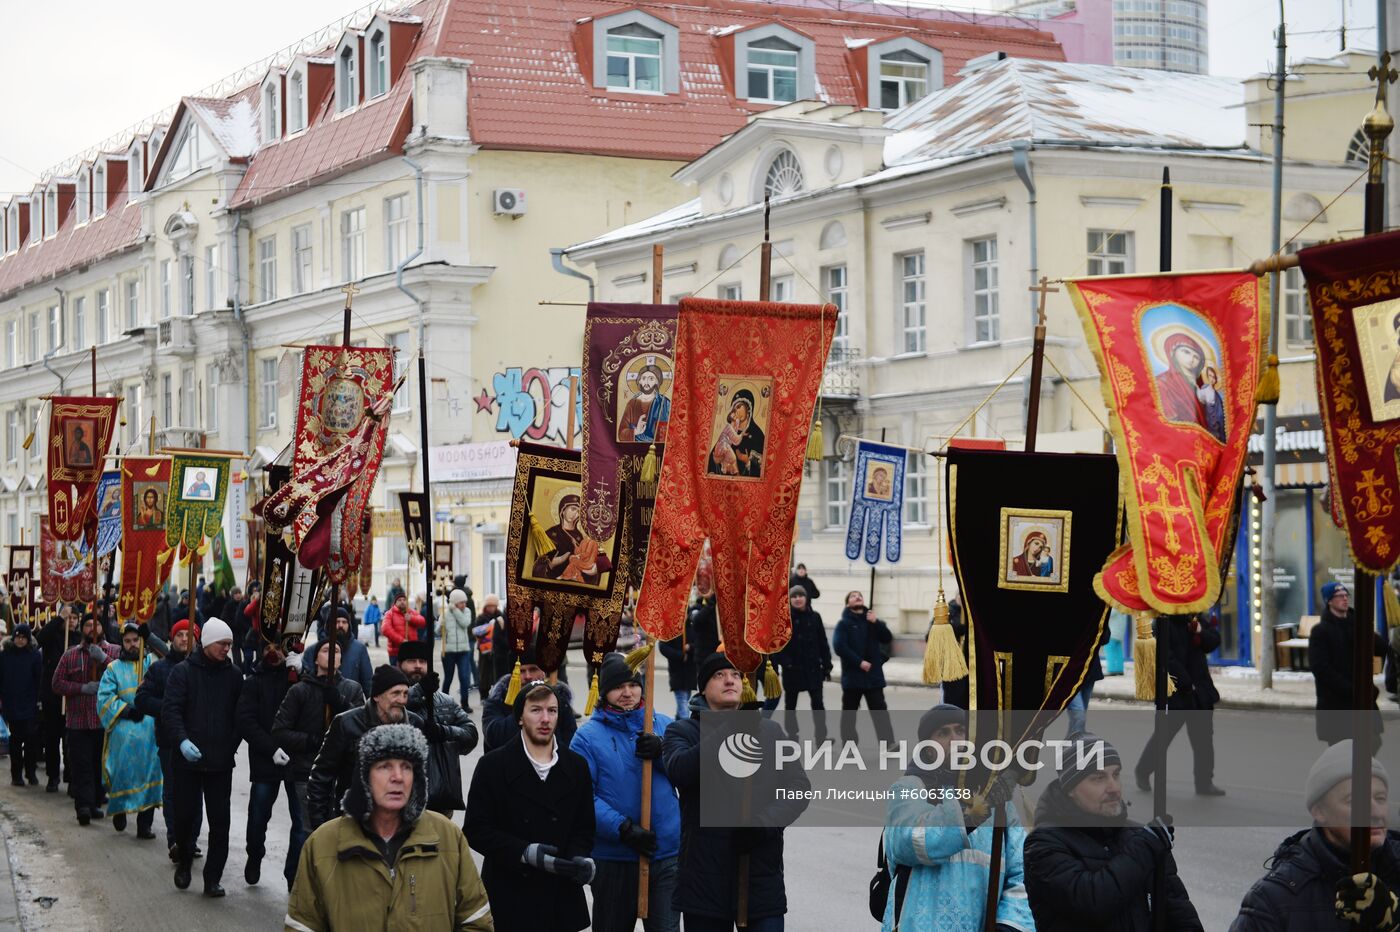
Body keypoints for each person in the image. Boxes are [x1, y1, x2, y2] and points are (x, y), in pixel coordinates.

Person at [286, 722, 493, 931]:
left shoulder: (447, 837)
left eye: (406, 767)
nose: (398, 777)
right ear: (364, 777)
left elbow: (476, 920)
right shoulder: (323, 844)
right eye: (385, 766)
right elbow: (302, 925)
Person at [663, 651, 810, 931]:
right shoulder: (682, 731)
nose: (729, 681)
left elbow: (798, 788)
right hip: (704, 878)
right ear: (703, 688)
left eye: (735, 675)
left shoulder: (770, 731)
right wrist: (731, 727)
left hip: (759, 874)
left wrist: (763, 824)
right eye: (719, 676)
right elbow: (681, 770)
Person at [879, 704, 1035, 931]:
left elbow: (1021, 871)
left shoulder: (1000, 803)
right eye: (943, 733)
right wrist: (976, 806)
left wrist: (1009, 924)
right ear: (928, 748)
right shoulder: (909, 787)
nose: (955, 740)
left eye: (961, 730)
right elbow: (911, 842)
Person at [1025, 731, 1203, 930]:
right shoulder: (1044, 844)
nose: (1114, 788)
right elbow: (1092, 903)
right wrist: (1145, 848)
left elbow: (1179, 912)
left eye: (1116, 774)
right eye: (1098, 777)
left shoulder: (1139, 836)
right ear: (1070, 789)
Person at [465, 679, 596, 932]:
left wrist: (580, 858)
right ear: (520, 718)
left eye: (552, 710)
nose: (545, 718)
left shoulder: (576, 766)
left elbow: (585, 827)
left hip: (561, 895)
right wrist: (523, 852)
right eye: (536, 710)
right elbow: (475, 830)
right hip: (511, 895)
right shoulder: (493, 766)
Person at [1231, 740, 1400, 930]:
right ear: (1320, 811)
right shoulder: (1274, 901)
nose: (1375, 813)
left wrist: (1393, 920)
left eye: (1380, 798)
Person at [571, 652, 681, 932]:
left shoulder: (664, 725)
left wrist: (663, 753)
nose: (627, 693)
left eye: (633, 685)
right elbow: (581, 795)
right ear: (605, 692)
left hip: (665, 853)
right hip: (614, 858)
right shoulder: (587, 737)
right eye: (618, 687)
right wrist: (622, 827)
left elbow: (690, 776)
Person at [163, 617, 244, 896]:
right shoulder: (182, 673)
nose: (227, 649)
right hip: (187, 762)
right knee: (185, 818)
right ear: (208, 643)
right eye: (223, 643)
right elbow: (171, 711)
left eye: (230, 644)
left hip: (220, 764)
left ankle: (213, 878)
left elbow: (240, 716)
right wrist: (182, 741)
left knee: (220, 823)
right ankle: (184, 863)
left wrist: (230, 744)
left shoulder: (234, 676)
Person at [271, 638, 364, 846]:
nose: (332, 654)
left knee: (340, 832)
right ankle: (296, 876)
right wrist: (312, 742)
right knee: (308, 832)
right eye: (325, 650)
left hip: (342, 775)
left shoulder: (352, 689)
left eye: (337, 651)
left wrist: (339, 702)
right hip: (307, 772)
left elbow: (361, 728)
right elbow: (280, 730)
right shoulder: (300, 690)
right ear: (315, 659)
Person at [306, 663, 419, 829]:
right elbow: (321, 776)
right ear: (377, 696)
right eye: (395, 693)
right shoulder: (346, 723)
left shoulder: (415, 724)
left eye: (405, 694)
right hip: (353, 821)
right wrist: (321, 824)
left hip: (400, 823)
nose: (401, 700)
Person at [234, 642, 303, 889]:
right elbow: (245, 721)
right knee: (257, 817)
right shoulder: (253, 682)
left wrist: (302, 675)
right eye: (268, 647)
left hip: (297, 760)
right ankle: (255, 854)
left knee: (301, 821)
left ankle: (294, 873)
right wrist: (270, 749)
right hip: (266, 759)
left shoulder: (297, 678)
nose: (274, 653)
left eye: (280, 647)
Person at [1134, 613, 1225, 795]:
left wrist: (1200, 631)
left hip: (1200, 691)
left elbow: (1213, 641)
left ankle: (1204, 782)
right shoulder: (1162, 623)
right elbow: (1165, 659)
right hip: (1176, 691)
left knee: (1203, 739)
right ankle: (1143, 771)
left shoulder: (1195, 619)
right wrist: (1186, 682)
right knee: (1164, 736)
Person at [137, 618, 203, 860]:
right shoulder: (159, 669)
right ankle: (175, 839)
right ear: (172, 639)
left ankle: (191, 839)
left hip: (198, 740)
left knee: (196, 793)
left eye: (190, 635)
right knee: (173, 790)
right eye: (180, 635)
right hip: (169, 739)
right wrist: (169, 708)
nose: (185, 639)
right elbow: (141, 699)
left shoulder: (204, 667)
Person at [52, 611, 121, 825]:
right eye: (88, 625)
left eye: (97, 625)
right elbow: (57, 684)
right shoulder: (70, 655)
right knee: (81, 766)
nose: (93, 629)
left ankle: (93, 804)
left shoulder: (114, 652)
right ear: (82, 628)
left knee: (97, 766)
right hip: (78, 721)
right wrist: (81, 687)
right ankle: (83, 806)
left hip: (103, 722)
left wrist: (105, 661)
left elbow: (123, 677)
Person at [397, 640, 478, 816]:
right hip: (400, 801)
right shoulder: (389, 698)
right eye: (411, 661)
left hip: (439, 799)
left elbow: (471, 736)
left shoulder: (446, 702)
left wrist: (444, 732)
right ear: (399, 664)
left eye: (423, 661)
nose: (418, 666)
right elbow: (390, 714)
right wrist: (418, 691)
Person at [1311, 581, 1388, 746]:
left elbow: (1382, 649)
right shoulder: (1321, 631)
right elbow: (1321, 668)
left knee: (1373, 742)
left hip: (1361, 701)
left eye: (1346, 595)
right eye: (1339, 596)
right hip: (1336, 703)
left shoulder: (1357, 625)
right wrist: (1350, 689)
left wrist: (1366, 628)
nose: (1345, 599)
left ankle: (1359, 772)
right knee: (1342, 750)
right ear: (1329, 601)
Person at [481, 645, 579, 753]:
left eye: (533, 669)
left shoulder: (559, 701)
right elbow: (495, 738)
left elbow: (570, 742)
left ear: (543, 672)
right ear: (512, 675)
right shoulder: (497, 701)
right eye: (521, 671)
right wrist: (523, 708)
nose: (528, 676)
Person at [832, 590, 895, 748]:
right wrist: (859, 662)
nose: (857, 597)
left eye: (859, 595)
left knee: (880, 712)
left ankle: (888, 743)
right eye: (853, 596)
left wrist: (876, 623)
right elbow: (839, 646)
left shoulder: (871, 620)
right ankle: (849, 746)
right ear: (848, 604)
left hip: (873, 676)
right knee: (849, 714)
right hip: (853, 676)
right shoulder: (844, 624)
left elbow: (887, 638)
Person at [774, 584, 832, 743]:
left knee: (818, 705)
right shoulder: (784, 618)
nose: (798, 599)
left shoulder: (815, 617)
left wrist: (827, 665)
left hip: (813, 668)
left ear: (806, 598)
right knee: (790, 705)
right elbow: (777, 644)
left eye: (800, 596)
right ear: (790, 599)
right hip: (793, 670)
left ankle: (821, 736)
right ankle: (792, 735)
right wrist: (786, 663)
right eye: (794, 596)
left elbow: (823, 642)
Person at [37, 604, 80, 793]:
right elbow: (40, 638)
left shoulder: (79, 639)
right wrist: (59, 618)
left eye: (74, 618)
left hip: (73, 696)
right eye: (68, 618)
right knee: (52, 737)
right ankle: (53, 776)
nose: (71, 622)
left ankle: (71, 777)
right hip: (52, 695)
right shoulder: (52, 635)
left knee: (71, 739)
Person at [531, 492, 612, 584]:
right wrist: (551, 564)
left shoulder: (580, 536)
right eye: (573, 509)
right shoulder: (550, 534)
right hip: (551, 584)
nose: (575, 514)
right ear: (563, 510)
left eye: (578, 511)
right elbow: (536, 567)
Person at [0, 623, 42, 786]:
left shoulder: (34, 656)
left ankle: (30, 772)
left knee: (31, 740)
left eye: (23, 637)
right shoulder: (5, 656)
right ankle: (16, 774)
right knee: (15, 741)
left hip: (29, 703)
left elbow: (39, 678)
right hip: (11, 702)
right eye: (18, 637)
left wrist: (38, 700)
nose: (20, 640)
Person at [298, 608, 373, 697]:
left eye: (344, 622)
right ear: (329, 625)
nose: (340, 625)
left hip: (349, 704)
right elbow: (305, 678)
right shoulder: (313, 650)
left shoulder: (360, 649)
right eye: (337, 621)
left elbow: (367, 681)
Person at [1155, 330, 1211, 429]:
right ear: (1173, 352)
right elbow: (1170, 421)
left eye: (1196, 357)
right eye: (1186, 352)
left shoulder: (1197, 386)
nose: (1191, 359)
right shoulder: (1161, 383)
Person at [440, 588, 476, 710]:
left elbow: (465, 623)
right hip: (449, 651)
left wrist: (455, 610)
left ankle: (465, 703)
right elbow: (437, 632)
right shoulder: (445, 613)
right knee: (448, 678)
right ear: (454, 602)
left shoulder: (467, 611)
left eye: (464, 602)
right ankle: (443, 702)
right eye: (461, 602)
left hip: (463, 650)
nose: (464, 604)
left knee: (464, 677)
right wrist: (441, 625)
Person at [658, 613, 698, 721]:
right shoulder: (670, 629)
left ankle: (678, 724)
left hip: (690, 671)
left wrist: (690, 647)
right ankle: (685, 726)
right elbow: (663, 647)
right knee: (683, 703)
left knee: (686, 700)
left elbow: (698, 643)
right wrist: (680, 655)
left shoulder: (691, 627)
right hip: (677, 671)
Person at [619, 363, 671, 443]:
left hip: (659, 450)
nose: (646, 382)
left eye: (651, 379)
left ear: (657, 381)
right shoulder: (632, 403)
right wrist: (636, 431)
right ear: (639, 381)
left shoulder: (665, 403)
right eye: (643, 378)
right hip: (634, 449)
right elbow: (621, 433)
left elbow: (673, 430)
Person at [474, 593, 506, 703]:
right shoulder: (481, 617)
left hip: (496, 650)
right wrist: (490, 626)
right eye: (489, 606)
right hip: (484, 650)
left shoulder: (501, 616)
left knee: (495, 673)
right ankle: (483, 695)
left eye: (493, 606)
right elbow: (476, 631)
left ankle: (496, 694)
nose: (491, 608)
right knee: (484, 673)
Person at [381, 592, 425, 662]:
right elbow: (385, 629)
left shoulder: (411, 612)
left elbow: (422, 621)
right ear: (395, 602)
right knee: (397, 672)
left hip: (411, 650)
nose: (402, 602)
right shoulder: (390, 614)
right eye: (399, 600)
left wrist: (411, 618)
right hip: (396, 652)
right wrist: (401, 641)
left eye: (404, 600)